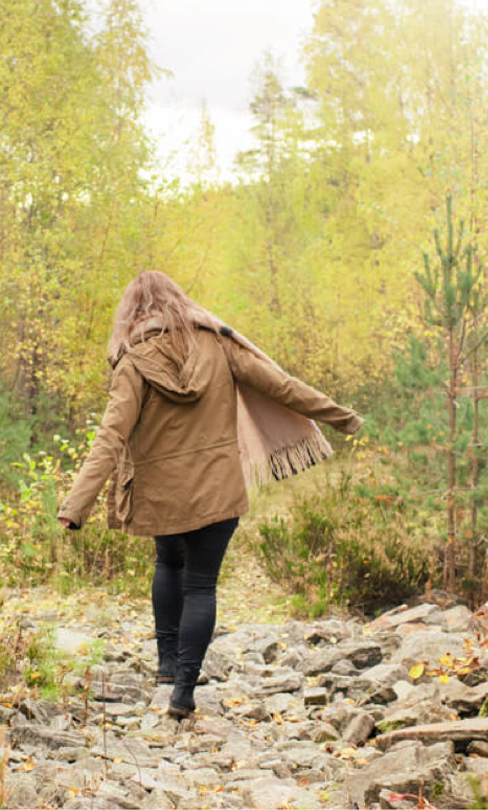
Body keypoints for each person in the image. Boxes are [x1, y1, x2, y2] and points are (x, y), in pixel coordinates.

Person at [57, 271, 364, 720]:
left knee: (168, 563)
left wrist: (76, 505)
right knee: (201, 584)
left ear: (132, 312)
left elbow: (111, 436)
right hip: (219, 489)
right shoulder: (218, 343)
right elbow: (281, 386)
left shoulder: (132, 361)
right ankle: (183, 691)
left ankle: (167, 668)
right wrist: (343, 418)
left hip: (163, 495)